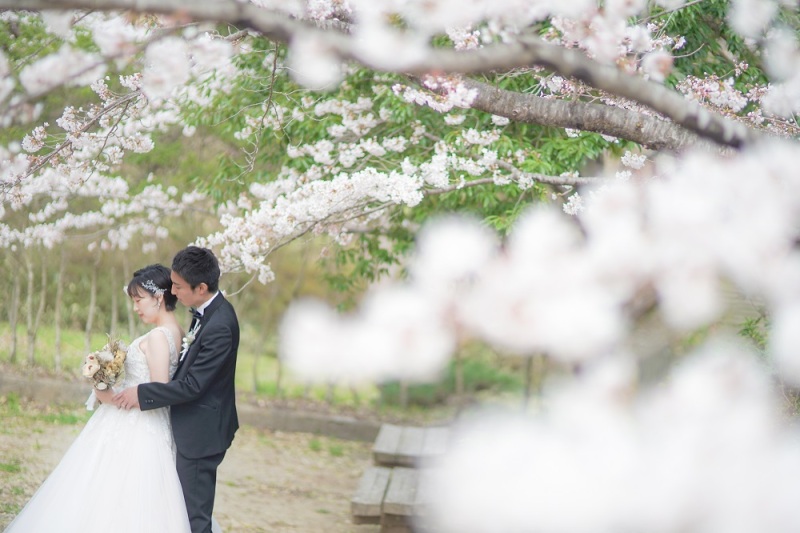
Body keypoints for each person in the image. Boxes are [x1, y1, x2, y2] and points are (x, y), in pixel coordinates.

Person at [4, 264, 192, 533]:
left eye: (139, 300)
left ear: (159, 297)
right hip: (146, 424)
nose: (136, 308)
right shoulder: (176, 332)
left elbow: (158, 391)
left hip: (138, 428)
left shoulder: (159, 337)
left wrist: (109, 395)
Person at [113, 246, 239, 533]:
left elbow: (194, 385)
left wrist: (141, 393)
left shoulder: (220, 324)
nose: (174, 292)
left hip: (202, 433)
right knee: (179, 513)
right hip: (192, 425)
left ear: (202, 287)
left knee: (193, 520)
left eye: (179, 287)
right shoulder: (206, 313)